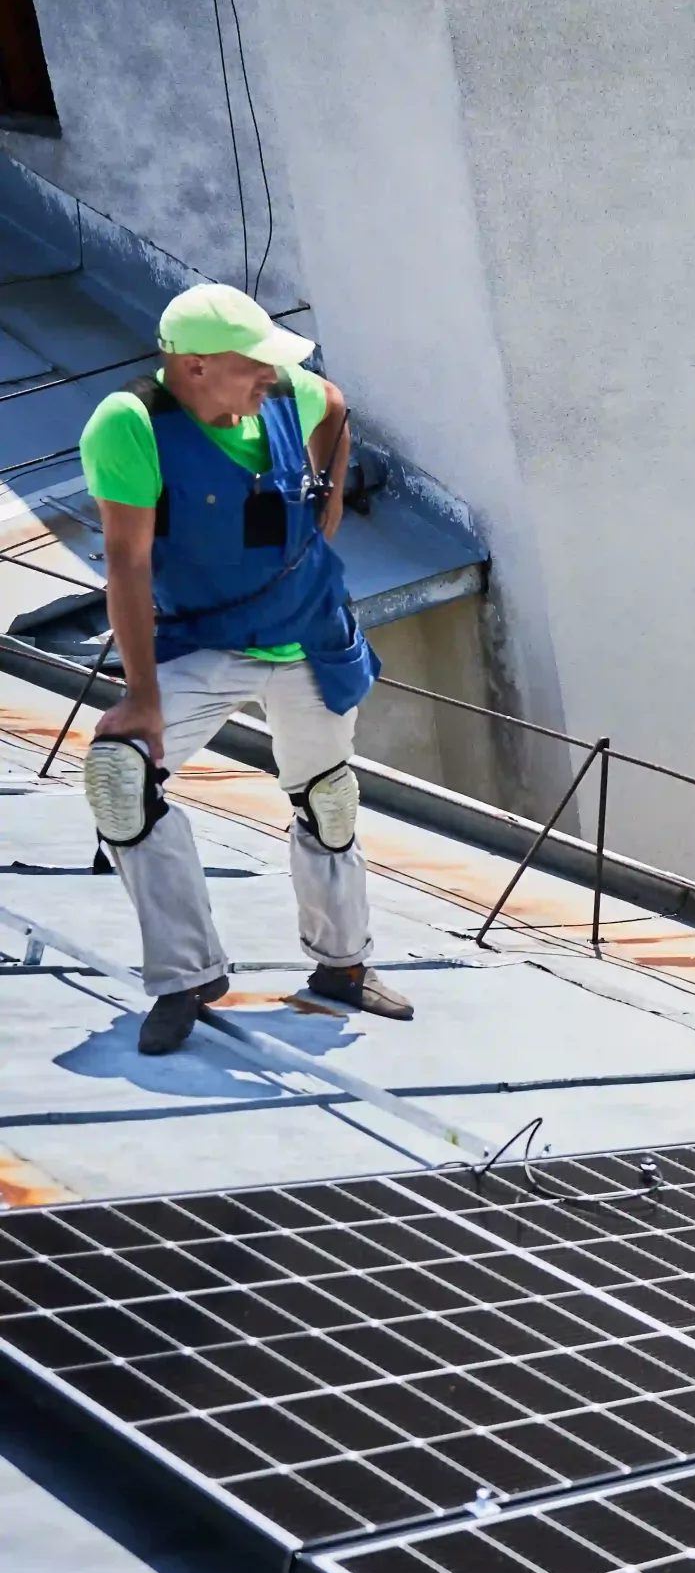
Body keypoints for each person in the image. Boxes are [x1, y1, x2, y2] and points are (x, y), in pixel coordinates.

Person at [78, 283, 412, 1055]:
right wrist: (141, 698)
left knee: (328, 801)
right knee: (120, 780)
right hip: (206, 642)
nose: (270, 376)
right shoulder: (132, 426)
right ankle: (185, 974)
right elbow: (125, 565)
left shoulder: (286, 394)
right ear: (194, 367)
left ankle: (343, 967)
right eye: (251, 364)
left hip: (310, 637)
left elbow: (334, 404)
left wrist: (325, 502)